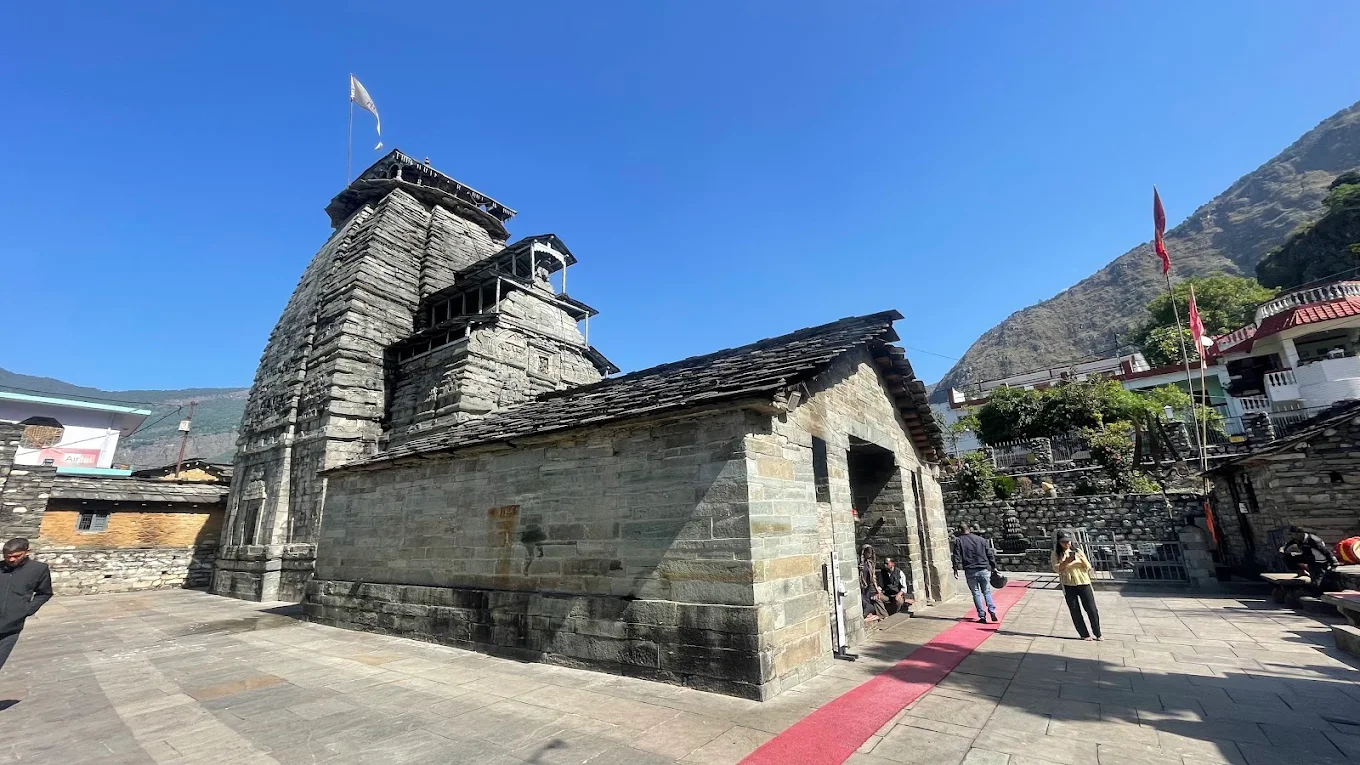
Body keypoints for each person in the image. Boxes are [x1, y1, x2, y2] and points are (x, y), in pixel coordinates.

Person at [0, 538, 53, 671]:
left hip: (11, 627)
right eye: (7, 557)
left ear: (27, 552)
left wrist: (27, 610)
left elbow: (45, 593)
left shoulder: (39, 569)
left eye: (16, 556)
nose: (11, 560)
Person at [1052, 531, 1101, 641]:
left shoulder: (1078, 551)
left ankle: (1097, 632)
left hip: (1084, 582)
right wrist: (1067, 562)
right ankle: (1084, 634)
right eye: (1063, 542)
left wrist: (1081, 559)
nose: (1067, 544)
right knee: (1075, 610)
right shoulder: (1056, 554)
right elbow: (1057, 568)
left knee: (1091, 609)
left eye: (1068, 541)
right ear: (1059, 542)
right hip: (1068, 583)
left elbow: (1088, 566)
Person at [951, 524, 999, 623]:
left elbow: (956, 556)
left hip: (970, 570)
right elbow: (989, 554)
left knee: (976, 593)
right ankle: (992, 610)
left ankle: (982, 616)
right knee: (986, 591)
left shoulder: (959, 540)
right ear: (969, 529)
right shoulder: (981, 540)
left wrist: (955, 568)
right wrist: (994, 567)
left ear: (960, 530)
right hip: (983, 568)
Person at [1280, 525, 1337, 596]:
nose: (1293, 536)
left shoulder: (1313, 540)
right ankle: (1301, 571)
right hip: (1308, 558)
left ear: (1300, 534)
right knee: (1287, 557)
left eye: (1294, 534)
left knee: (1316, 584)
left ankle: (1317, 595)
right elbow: (1289, 544)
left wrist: (1333, 562)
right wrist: (1283, 549)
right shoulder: (1298, 539)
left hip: (1319, 562)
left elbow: (1326, 551)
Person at [859, 545, 887, 620]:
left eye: (870, 552)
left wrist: (877, 589)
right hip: (861, 586)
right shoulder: (859, 564)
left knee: (873, 599)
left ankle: (880, 615)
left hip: (868, 587)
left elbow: (873, 577)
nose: (869, 554)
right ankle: (866, 614)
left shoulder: (869, 564)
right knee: (864, 600)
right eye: (868, 552)